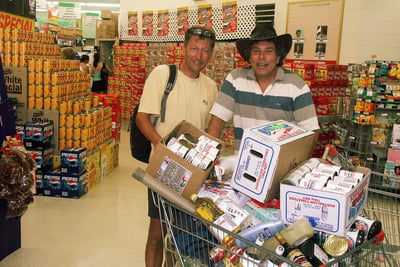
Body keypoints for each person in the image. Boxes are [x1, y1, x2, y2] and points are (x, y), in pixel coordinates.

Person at [136, 25, 217, 267]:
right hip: (163, 169)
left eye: (204, 51)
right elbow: (143, 118)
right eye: (194, 48)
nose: (198, 55)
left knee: (179, 239)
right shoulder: (163, 75)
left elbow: (212, 130)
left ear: (210, 55)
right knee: (156, 236)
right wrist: (162, 147)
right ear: (183, 48)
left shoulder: (211, 87)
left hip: (194, 176)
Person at [207, 23, 320, 154]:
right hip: (244, 164)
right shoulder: (235, 79)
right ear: (249, 56)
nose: (261, 56)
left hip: (281, 169)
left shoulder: (296, 85)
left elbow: (311, 132)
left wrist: (295, 163)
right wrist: (209, 156)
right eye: (256, 51)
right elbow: (217, 120)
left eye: (268, 51)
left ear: (277, 57)